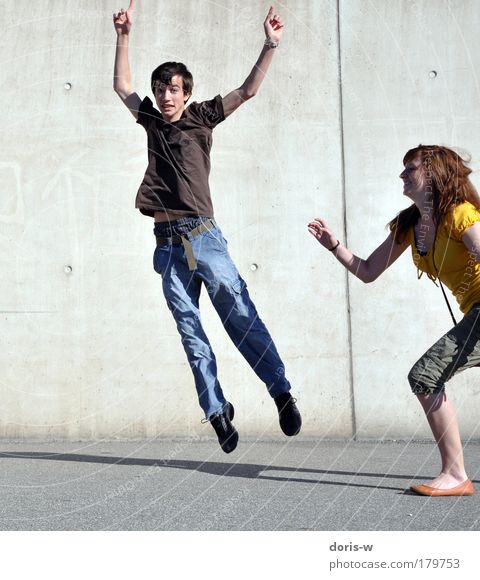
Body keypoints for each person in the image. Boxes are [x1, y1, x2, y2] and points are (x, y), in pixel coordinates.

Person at [112, 1, 301, 453]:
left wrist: (269, 45)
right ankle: (217, 411)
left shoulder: (202, 118)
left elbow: (248, 90)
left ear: (186, 94)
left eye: (173, 89)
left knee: (237, 314)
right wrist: (124, 36)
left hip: (203, 237)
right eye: (160, 89)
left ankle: (279, 390)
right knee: (191, 332)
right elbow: (121, 86)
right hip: (167, 247)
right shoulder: (152, 122)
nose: (165, 96)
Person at [308, 144, 478, 496]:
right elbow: (368, 270)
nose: (402, 174)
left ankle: (455, 474)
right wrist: (334, 245)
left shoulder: (460, 214)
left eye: (410, 168)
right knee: (426, 377)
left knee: (425, 375)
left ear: (433, 174)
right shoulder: (409, 225)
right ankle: (455, 473)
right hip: (474, 314)